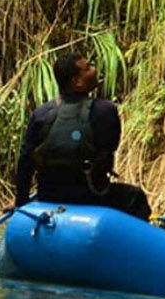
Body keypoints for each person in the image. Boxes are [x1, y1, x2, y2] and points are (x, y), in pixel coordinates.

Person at [13, 52, 150, 220]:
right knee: (136, 198)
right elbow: (110, 147)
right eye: (88, 68)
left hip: (49, 197)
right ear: (76, 82)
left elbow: (25, 161)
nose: (94, 69)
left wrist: (21, 204)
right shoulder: (105, 111)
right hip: (93, 195)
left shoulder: (40, 114)